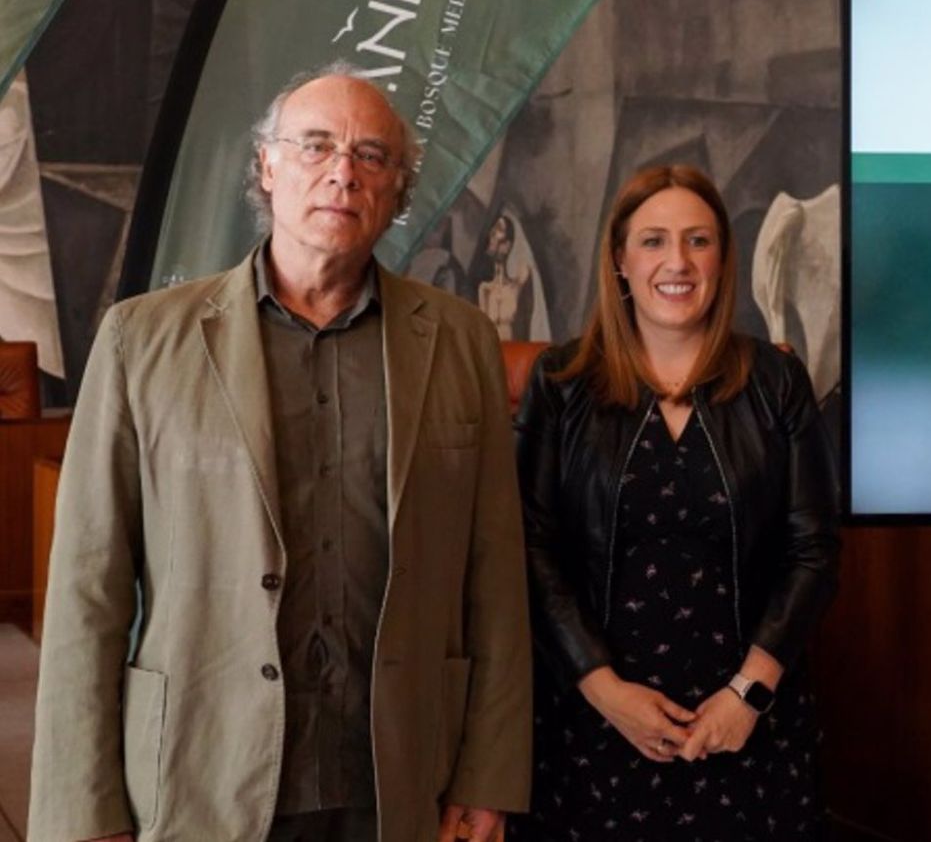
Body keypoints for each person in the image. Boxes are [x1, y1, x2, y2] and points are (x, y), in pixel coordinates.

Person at [29, 65, 532, 842]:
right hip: (200, 770)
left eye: (372, 155)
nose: (343, 172)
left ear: (397, 190)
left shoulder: (461, 339)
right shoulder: (142, 339)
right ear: (266, 165)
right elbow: (87, 592)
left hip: (400, 774)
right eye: (316, 145)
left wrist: (488, 775)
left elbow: (495, 578)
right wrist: (83, 809)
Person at [508, 165, 840, 840]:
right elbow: (527, 549)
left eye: (698, 240)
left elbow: (815, 552)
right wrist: (604, 690)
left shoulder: (776, 382)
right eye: (653, 241)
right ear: (620, 262)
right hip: (593, 728)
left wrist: (746, 694)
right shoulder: (561, 384)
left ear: (723, 259)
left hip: (749, 725)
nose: (678, 261)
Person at [476, 214, 534, 341]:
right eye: (493, 229)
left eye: (499, 229)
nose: (492, 233)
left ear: (508, 244)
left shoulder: (519, 283)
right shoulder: (485, 290)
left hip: (515, 355)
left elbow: (528, 325)